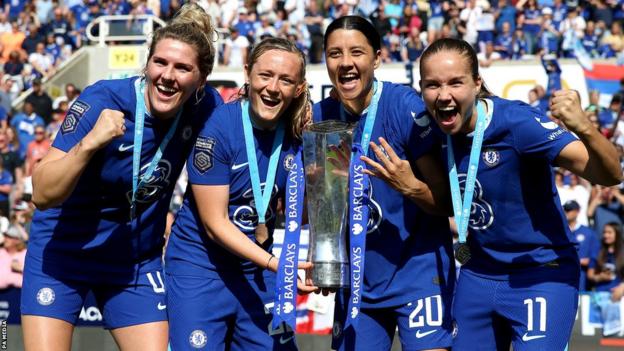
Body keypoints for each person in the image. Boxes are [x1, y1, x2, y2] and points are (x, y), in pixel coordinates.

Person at [20, 4, 222, 350]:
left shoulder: (206, 107)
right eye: (160, 62)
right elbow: (42, 193)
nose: (168, 76)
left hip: (134, 263)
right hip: (64, 252)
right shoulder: (103, 101)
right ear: (147, 64)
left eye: (182, 68)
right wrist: (89, 145)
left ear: (201, 80)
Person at [418, 37, 622, 350]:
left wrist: (584, 127)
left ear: (477, 82)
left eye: (455, 83)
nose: (444, 95)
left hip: (541, 273)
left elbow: (611, 174)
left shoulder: (517, 123)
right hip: (478, 274)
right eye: (432, 85)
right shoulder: (429, 130)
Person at [165, 37, 316, 350]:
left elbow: (296, 215)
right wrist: (278, 264)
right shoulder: (219, 127)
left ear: (298, 88)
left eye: (285, 80)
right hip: (201, 270)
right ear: (248, 73)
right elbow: (215, 224)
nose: (273, 88)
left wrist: (317, 175)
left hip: (256, 271)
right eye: (265, 75)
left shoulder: (297, 134)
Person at [313, 16, 455, 351]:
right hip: (359, 281)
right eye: (335, 53)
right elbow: (324, 209)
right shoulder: (320, 117)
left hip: (417, 274)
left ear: (377, 58)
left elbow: (448, 202)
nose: (346, 63)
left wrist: (411, 187)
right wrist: (325, 260)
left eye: (356, 52)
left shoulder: (405, 106)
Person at [587, 222, 624, 300]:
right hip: (600, 295)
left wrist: (622, 287)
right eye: (604, 232)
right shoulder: (598, 250)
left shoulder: (622, 252)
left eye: (609, 232)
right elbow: (590, 274)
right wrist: (599, 277)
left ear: (617, 234)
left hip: (619, 296)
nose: (606, 235)